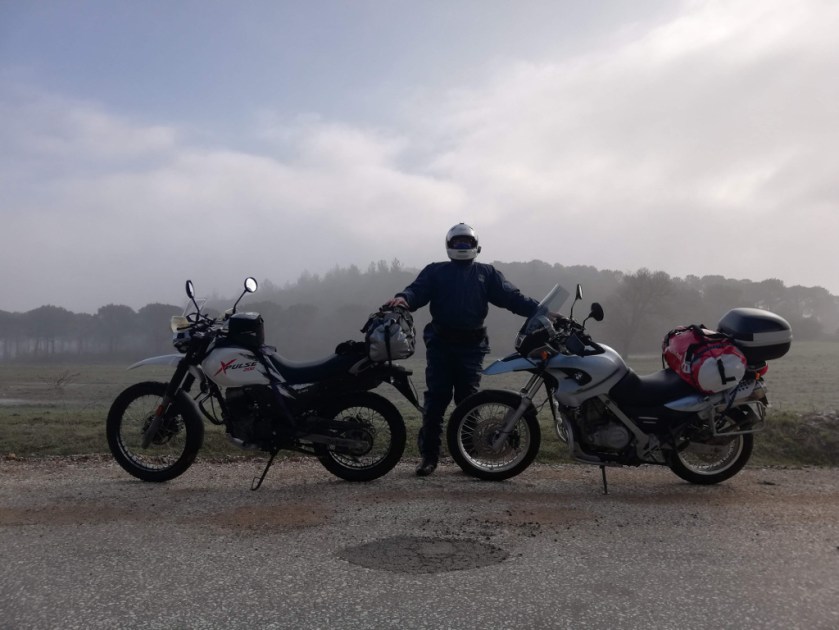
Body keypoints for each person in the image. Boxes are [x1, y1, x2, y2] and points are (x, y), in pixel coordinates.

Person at [387, 223, 542, 476]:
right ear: (449, 245)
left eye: (466, 243)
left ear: (475, 246)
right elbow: (416, 291)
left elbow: (512, 298)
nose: (462, 246)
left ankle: (469, 456)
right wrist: (403, 298)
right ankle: (429, 457)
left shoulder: (487, 273)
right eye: (458, 242)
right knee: (436, 401)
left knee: (469, 401)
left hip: (472, 347)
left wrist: (541, 310)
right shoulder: (435, 271)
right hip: (440, 345)